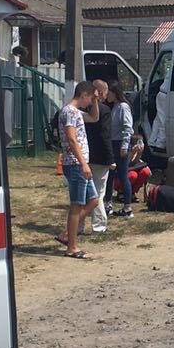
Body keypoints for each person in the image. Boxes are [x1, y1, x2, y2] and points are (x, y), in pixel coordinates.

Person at [57, 81, 98, 259]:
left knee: (94, 200)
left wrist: (96, 100)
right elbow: (72, 139)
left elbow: (95, 118)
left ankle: (67, 234)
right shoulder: (70, 112)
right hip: (75, 164)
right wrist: (83, 163)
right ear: (83, 95)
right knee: (76, 206)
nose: (89, 103)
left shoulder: (75, 112)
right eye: (89, 99)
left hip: (79, 163)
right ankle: (71, 247)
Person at [83, 78, 111, 235]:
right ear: (100, 93)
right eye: (105, 92)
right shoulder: (104, 110)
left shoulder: (83, 109)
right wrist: (110, 158)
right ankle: (99, 226)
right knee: (99, 192)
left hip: (85, 155)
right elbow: (104, 136)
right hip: (100, 156)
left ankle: (79, 226)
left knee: (83, 193)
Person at [107, 81, 136, 216]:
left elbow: (127, 127)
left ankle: (127, 207)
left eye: (109, 93)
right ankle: (107, 202)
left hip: (120, 144)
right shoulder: (114, 106)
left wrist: (124, 145)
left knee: (123, 175)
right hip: (113, 143)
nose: (107, 95)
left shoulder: (123, 107)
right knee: (110, 174)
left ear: (115, 93)